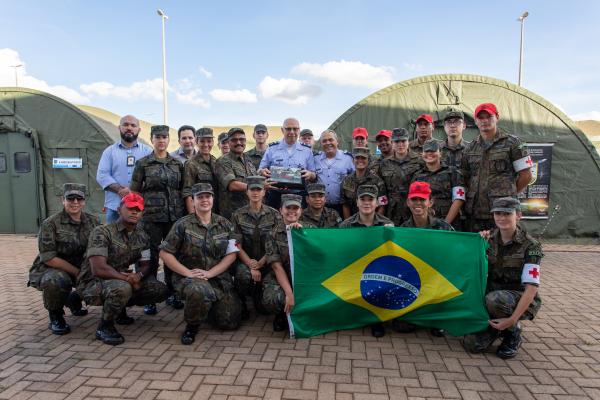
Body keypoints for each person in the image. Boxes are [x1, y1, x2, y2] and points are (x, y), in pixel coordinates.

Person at [77, 193, 168, 345]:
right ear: (119, 210)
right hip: (92, 281)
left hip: (121, 279)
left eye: (138, 209)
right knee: (122, 288)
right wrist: (128, 279)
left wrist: (139, 275)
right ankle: (105, 327)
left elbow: (146, 264)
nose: (134, 212)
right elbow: (98, 269)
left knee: (159, 289)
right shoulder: (102, 232)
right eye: (130, 208)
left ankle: (119, 311)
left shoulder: (142, 236)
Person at [159, 183, 242, 345]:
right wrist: (187, 273)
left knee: (229, 322)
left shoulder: (225, 224)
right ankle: (192, 326)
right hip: (190, 278)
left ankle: (207, 308)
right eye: (200, 197)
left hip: (217, 278)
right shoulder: (182, 224)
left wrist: (211, 273)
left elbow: (233, 253)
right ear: (193, 200)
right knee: (199, 291)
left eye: (208, 196)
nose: (205, 200)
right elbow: (165, 253)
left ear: (213, 198)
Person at [463, 197, 542, 359]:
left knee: (495, 299)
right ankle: (494, 327)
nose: (502, 218)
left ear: (518, 215)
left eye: (507, 213)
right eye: (498, 213)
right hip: (491, 293)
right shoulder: (487, 238)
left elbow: (531, 288)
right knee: (472, 345)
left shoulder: (531, 245)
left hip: (517, 297)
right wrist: (477, 243)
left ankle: (512, 332)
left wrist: (512, 320)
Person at [28, 183, 100, 335]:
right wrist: (77, 272)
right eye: (71, 198)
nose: (75, 202)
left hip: (83, 267)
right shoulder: (50, 224)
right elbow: (49, 258)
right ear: (63, 200)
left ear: (84, 201)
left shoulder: (94, 222)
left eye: (79, 198)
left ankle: (74, 299)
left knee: (104, 279)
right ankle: (56, 315)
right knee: (56, 281)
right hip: (54, 268)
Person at [130, 125, 185, 313]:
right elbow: (135, 192)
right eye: (157, 137)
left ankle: (172, 292)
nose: (161, 140)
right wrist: (135, 216)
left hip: (174, 217)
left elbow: (183, 190)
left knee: (173, 255)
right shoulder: (143, 163)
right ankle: (149, 296)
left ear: (169, 140)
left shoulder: (177, 164)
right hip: (151, 218)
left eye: (164, 137)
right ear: (152, 139)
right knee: (149, 256)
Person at [461, 103, 533, 232]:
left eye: (488, 116)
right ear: (476, 121)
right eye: (480, 118)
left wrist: (509, 194)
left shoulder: (513, 143)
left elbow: (526, 176)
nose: (485, 121)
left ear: (497, 117)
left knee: (504, 248)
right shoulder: (470, 147)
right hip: (475, 214)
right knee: (477, 250)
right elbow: (466, 177)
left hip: (502, 212)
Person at [394, 181, 453, 336]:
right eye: (414, 199)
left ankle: (437, 316)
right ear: (408, 202)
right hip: (414, 281)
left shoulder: (443, 228)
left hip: (437, 281)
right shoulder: (403, 230)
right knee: (402, 326)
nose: (418, 203)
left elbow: (456, 254)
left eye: (422, 199)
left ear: (430, 202)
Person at [340, 185, 394, 338]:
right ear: (356, 203)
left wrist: (392, 235)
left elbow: (393, 255)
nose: (366, 203)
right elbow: (339, 253)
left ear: (377, 203)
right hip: (353, 270)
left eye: (370, 199)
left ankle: (376, 320)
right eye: (362, 199)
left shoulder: (387, 225)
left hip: (377, 271)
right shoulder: (346, 226)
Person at [230, 176, 283, 319]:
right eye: (252, 189)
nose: (255, 193)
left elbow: (277, 241)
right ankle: (243, 303)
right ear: (246, 192)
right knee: (243, 275)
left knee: (265, 308)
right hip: (246, 262)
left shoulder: (274, 214)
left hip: (269, 261)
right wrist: (251, 264)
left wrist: (261, 262)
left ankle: (259, 294)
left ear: (264, 192)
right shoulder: (237, 215)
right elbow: (236, 243)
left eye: (258, 190)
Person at [262, 194, 313, 333]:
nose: (291, 211)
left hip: (305, 278)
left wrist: (303, 234)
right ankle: (281, 315)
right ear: (280, 210)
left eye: (295, 208)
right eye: (288, 207)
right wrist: (289, 294)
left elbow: (320, 254)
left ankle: (303, 313)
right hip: (283, 276)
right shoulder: (272, 234)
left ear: (301, 210)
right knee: (272, 299)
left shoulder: (310, 229)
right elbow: (276, 266)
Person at [97, 115, 152, 223]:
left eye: (133, 125)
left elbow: (152, 177)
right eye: (125, 124)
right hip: (114, 207)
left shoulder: (148, 152)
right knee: (112, 238)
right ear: (119, 127)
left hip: (140, 207)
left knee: (140, 238)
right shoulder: (109, 151)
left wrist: (133, 190)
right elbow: (102, 175)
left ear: (139, 130)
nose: (129, 128)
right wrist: (120, 190)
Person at [258, 117, 316, 209]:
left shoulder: (307, 150)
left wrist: (310, 174)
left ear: (299, 130)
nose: (292, 132)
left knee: (297, 223)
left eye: (295, 129)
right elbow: (260, 170)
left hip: (299, 195)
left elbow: (314, 174)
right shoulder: (272, 148)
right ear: (282, 130)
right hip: (276, 195)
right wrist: (262, 171)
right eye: (288, 129)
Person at [411, 140, 465, 229]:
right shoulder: (417, 176)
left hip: (449, 223)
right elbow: (413, 201)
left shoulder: (452, 172)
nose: (429, 153)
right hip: (425, 225)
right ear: (422, 154)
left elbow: (459, 199)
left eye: (433, 151)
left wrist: (445, 224)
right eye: (426, 151)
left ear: (440, 153)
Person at [375, 129, 421, 225]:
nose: (400, 145)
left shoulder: (419, 161)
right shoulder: (384, 164)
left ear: (408, 142)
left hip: (412, 209)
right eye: (397, 141)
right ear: (392, 143)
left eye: (403, 141)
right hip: (391, 211)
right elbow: (381, 189)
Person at [214, 127, 258, 219]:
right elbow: (232, 185)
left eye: (242, 139)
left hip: (250, 213)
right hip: (232, 216)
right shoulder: (223, 161)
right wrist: (258, 186)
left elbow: (251, 179)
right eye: (234, 140)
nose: (238, 143)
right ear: (229, 143)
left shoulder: (248, 159)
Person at [314, 129, 354, 216]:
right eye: (324, 141)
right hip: (321, 207)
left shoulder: (348, 158)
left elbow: (355, 179)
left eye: (331, 140)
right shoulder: (315, 159)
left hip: (342, 207)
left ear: (337, 141)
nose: (328, 143)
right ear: (321, 144)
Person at [341, 147, 387, 219]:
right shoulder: (346, 181)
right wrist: (348, 226)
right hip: (352, 223)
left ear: (368, 161)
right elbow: (345, 204)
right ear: (353, 161)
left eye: (363, 158)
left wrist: (376, 223)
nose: (360, 160)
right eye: (357, 158)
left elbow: (382, 205)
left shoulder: (378, 181)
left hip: (371, 223)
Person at [183, 127, 219, 214]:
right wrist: (193, 216)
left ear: (213, 142)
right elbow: (187, 192)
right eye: (202, 141)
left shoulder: (216, 162)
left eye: (209, 141)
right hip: (200, 211)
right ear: (196, 142)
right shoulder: (191, 164)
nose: (206, 144)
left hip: (216, 210)